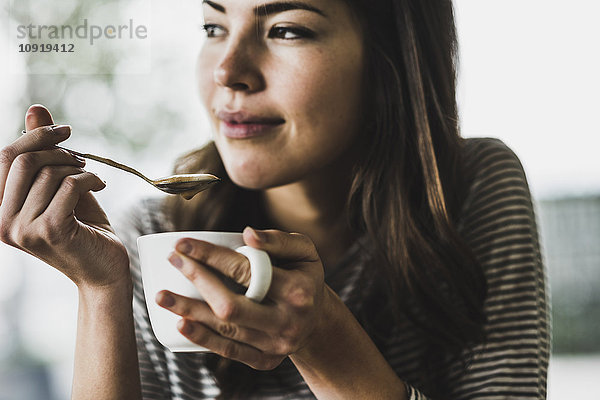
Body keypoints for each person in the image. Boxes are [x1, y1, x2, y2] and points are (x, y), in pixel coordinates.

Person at [0, 0, 550, 398]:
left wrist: (325, 338)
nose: (227, 70)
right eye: (214, 26)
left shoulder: (466, 187)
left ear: (388, 61)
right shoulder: (155, 232)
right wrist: (100, 289)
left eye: (286, 30)